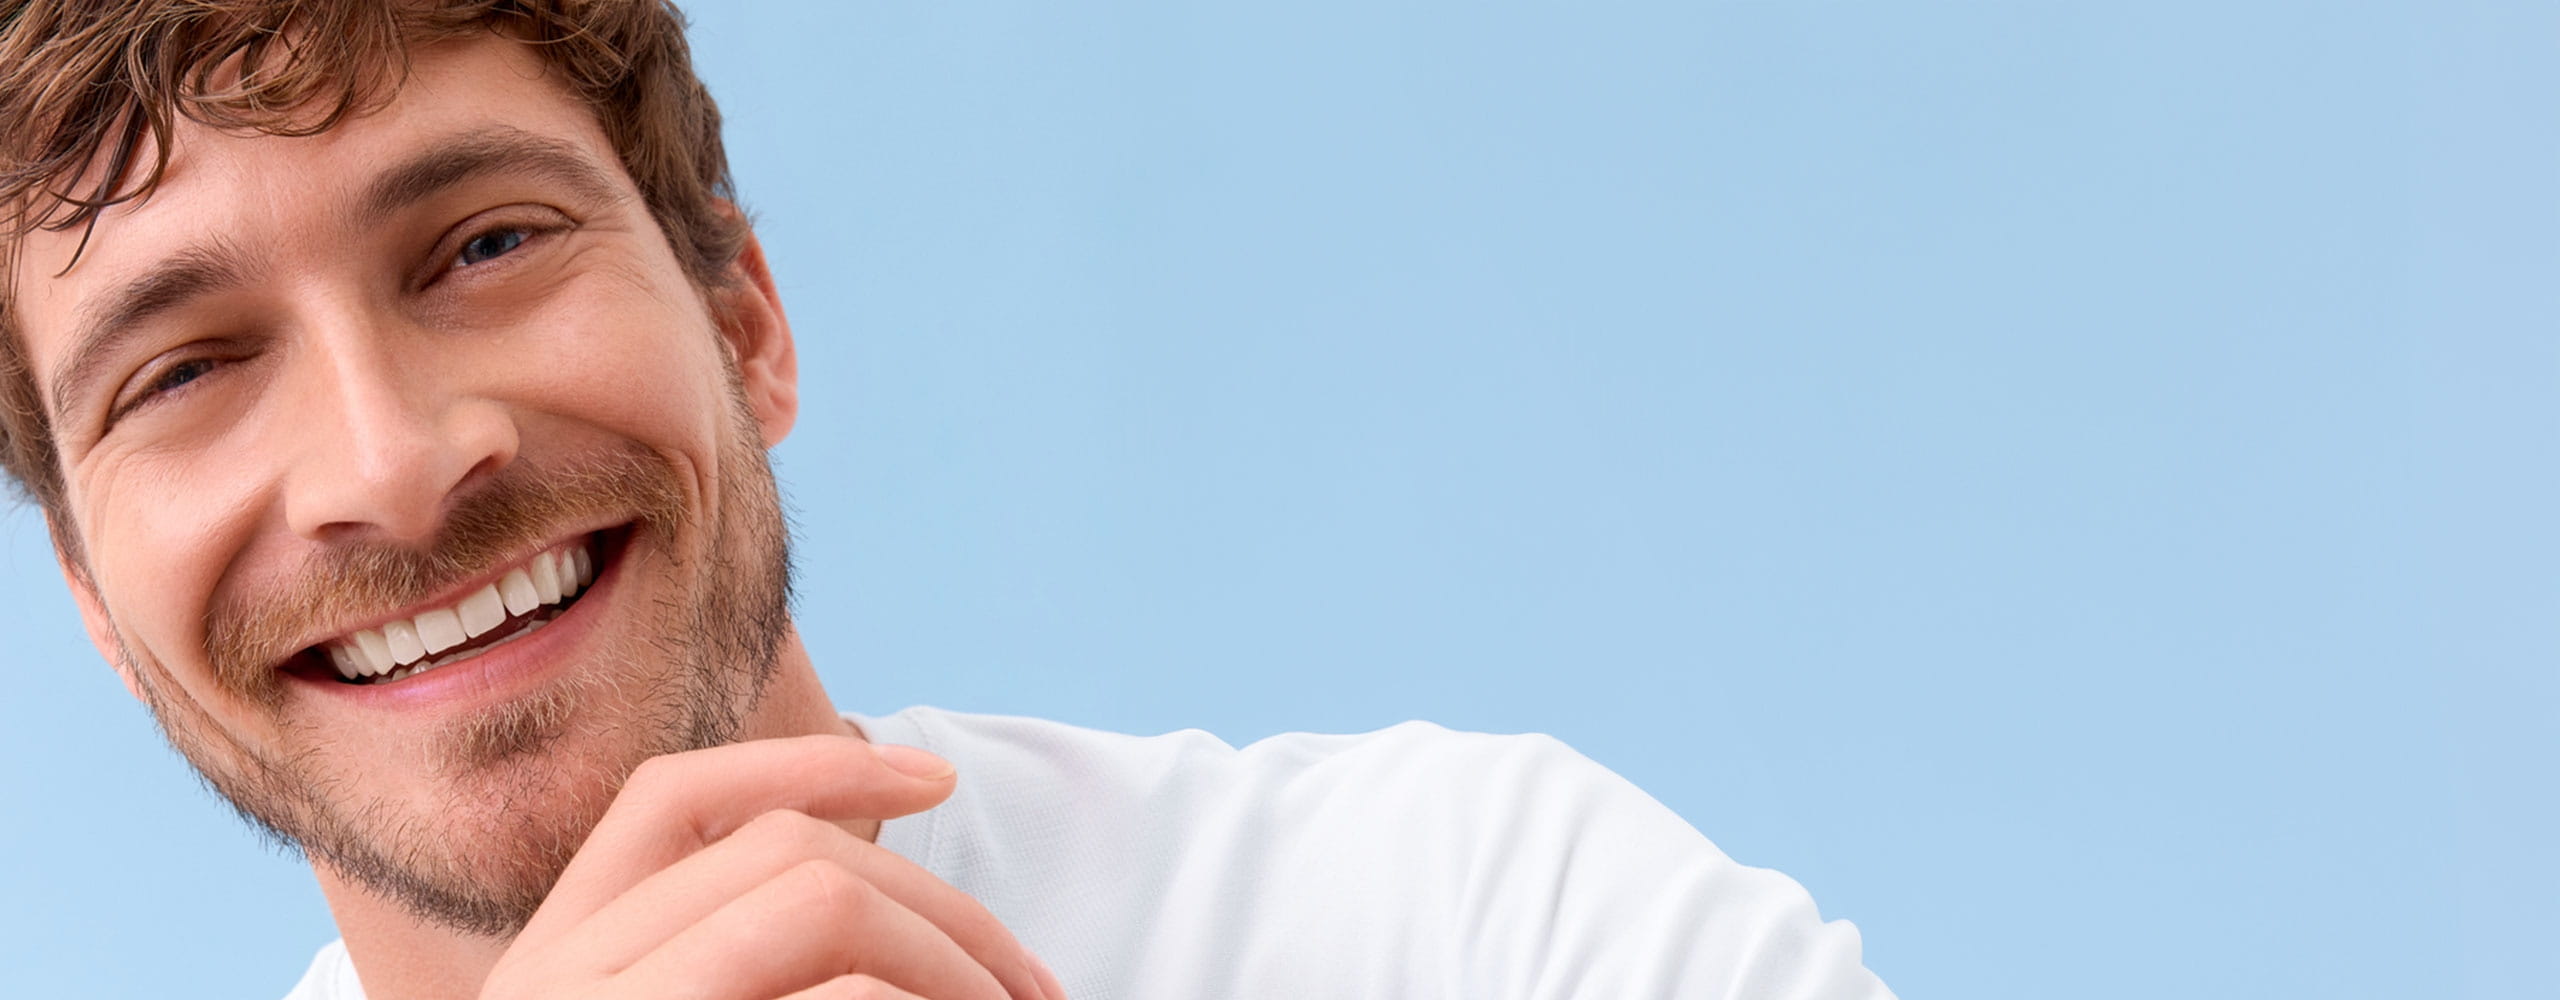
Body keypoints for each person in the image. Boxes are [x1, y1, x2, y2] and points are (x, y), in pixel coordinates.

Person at [0, 3, 1894, 998]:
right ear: (92, 597)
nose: (393, 464)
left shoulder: (1481, 925)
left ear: (745, 325)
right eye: (183, 371)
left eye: (486, 243)